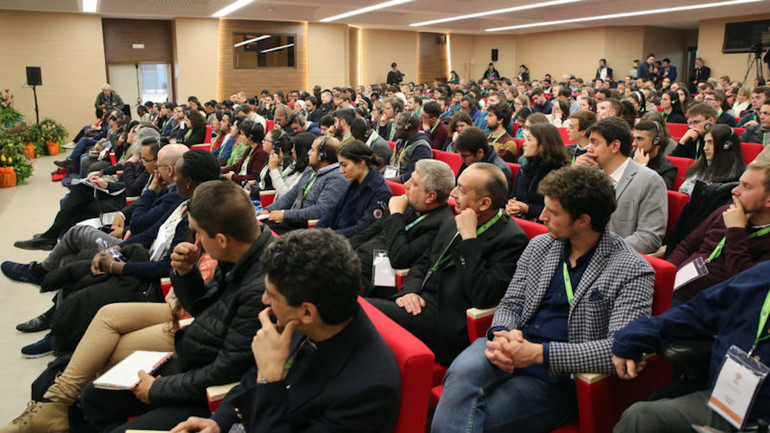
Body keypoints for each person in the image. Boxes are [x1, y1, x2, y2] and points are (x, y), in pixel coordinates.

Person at [432, 165, 655, 433]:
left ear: (583, 220)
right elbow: (511, 302)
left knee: (477, 419)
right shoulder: (540, 246)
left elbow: (620, 348)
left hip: (557, 375)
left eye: (553, 212)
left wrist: (539, 354)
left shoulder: (631, 268)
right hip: (511, 344)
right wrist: (503, 333)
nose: (542, 216)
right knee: (460, 375)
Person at [171, 229, 401, 433]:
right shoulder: (309, 320)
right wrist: (219, 422)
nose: (264, 300)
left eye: (272, 295)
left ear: (308, 313)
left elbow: (263, 382)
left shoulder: (367, 392)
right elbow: (252, 378)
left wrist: (269, 381)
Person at [368, 163, 529, 365]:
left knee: (362, 309)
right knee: (360, 307)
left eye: (461, 190)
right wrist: (409, 291)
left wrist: (469, 239)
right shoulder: (453, 220)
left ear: (484, 203)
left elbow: (482, 296)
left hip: (449, 323)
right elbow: (424, 262)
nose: (452, 194)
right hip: (419, 305)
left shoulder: (511, 240)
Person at [612, 259, 770, 432]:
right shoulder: (761, 277)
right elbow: (697, 312)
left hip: (762, 416)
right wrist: (635, 336)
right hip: (723, 405)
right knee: (640, 417)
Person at [668, 159, 770, 305]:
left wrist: (736, 230)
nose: (735, 190)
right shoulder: (725, 212)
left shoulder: (764, 240)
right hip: (677, 289)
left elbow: (746, 286)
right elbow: (686, 247)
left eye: (746, 187)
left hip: (713, 309)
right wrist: (666, 277)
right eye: (740, 183)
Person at [349, 159, 455, 298]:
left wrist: (396, 215)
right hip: (355, 261)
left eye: (414, 183)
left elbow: (400, 258)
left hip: (374, 281)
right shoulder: (411, 204)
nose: (406, 185)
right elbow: (371, 231)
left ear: (430, 196)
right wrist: (343, 247)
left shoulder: (440, 224)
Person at [575, 117, 667, 254]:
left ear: (615, 146)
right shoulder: (590, 177)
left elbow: (649, 237)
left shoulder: (649, 180)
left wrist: (600, 250)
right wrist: (574, 176)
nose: (589, 150)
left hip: (614, 261)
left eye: (595, 144)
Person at [261, 136, 348, 233]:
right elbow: (291, 195)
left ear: (322, 156)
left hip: (307, 230)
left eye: (312, 150)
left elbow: (319, 211)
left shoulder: (336, 179)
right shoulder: (310, 170)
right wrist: (268, 210)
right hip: (292, 222)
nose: (308, 153)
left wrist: (284, 215)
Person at [317, 141, 392, 237]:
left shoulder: (380, 192)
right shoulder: (355, 182)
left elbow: (362, 229)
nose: (341, 171)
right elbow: (333, 211)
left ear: (361, 162)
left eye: (344, 165)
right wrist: (316, 232)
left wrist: (328, 236)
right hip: (337, 236)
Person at [506, 123, 570, 220]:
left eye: (529, 139)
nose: (524, 144)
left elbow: (559, 212)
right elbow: (513, 195)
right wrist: (511, 205)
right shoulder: (525, 166)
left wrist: (528, 209)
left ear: (543, 145)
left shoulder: (560, 173)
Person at [678, 124, 746, 196]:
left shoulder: (738, 175)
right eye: (705, 142)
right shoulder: (700, 167)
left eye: (710, 142)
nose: (705, 148)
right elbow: (683, 193)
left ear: (726, 146)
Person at [454, 126, 514, 193]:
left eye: (464, 156)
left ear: (480, 152)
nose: (461, 159)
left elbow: (496, 201)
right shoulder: (469, 161)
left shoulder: (500, 171)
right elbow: (457, 187)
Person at [388, 111, 432, 183]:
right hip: (393, 180)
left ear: (408, 127)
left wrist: (386, 180)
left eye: (399, 124)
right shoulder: (400, 141)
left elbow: (412, 177)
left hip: (406, 187)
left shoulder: (421, 148)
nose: (395, 127)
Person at [221, 120, 268, 186]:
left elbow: (253, 177)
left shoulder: (261, 153)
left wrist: (233, 176)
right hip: (239, 182)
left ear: (251, 137)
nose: (240, 137)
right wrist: (220, 171)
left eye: (242, 135)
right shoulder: (250, 149)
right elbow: (237, 166)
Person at [632, 120, 677, 189]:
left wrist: (642, 168)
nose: (634, 143)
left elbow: (658, 192)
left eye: (640, 139)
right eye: (634, 138)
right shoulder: (627, 157)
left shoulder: (666, 169)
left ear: (656, 141)